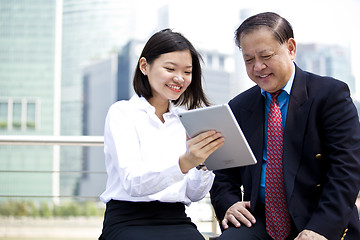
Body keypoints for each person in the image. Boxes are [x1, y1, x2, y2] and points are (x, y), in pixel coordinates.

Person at [210, 12, 360, 240]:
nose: (258, 67)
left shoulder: (330, 95)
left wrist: (320, 229)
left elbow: (346, 171)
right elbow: (222, 173)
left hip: (318, 218)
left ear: (290, 48)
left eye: (266, 56)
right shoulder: (239, 106)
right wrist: (229, 204)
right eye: (248, 60)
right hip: (259, 219)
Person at [98, 29, 224, 240]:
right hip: (128, 219)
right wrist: (184, 162)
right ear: (144, 66)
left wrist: (202, 164)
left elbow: (194, 194)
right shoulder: (122, 113)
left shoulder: (186, 120)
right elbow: (132, 183)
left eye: (187, 71)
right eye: (170, 68)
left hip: (176, 218)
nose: (179, 78)